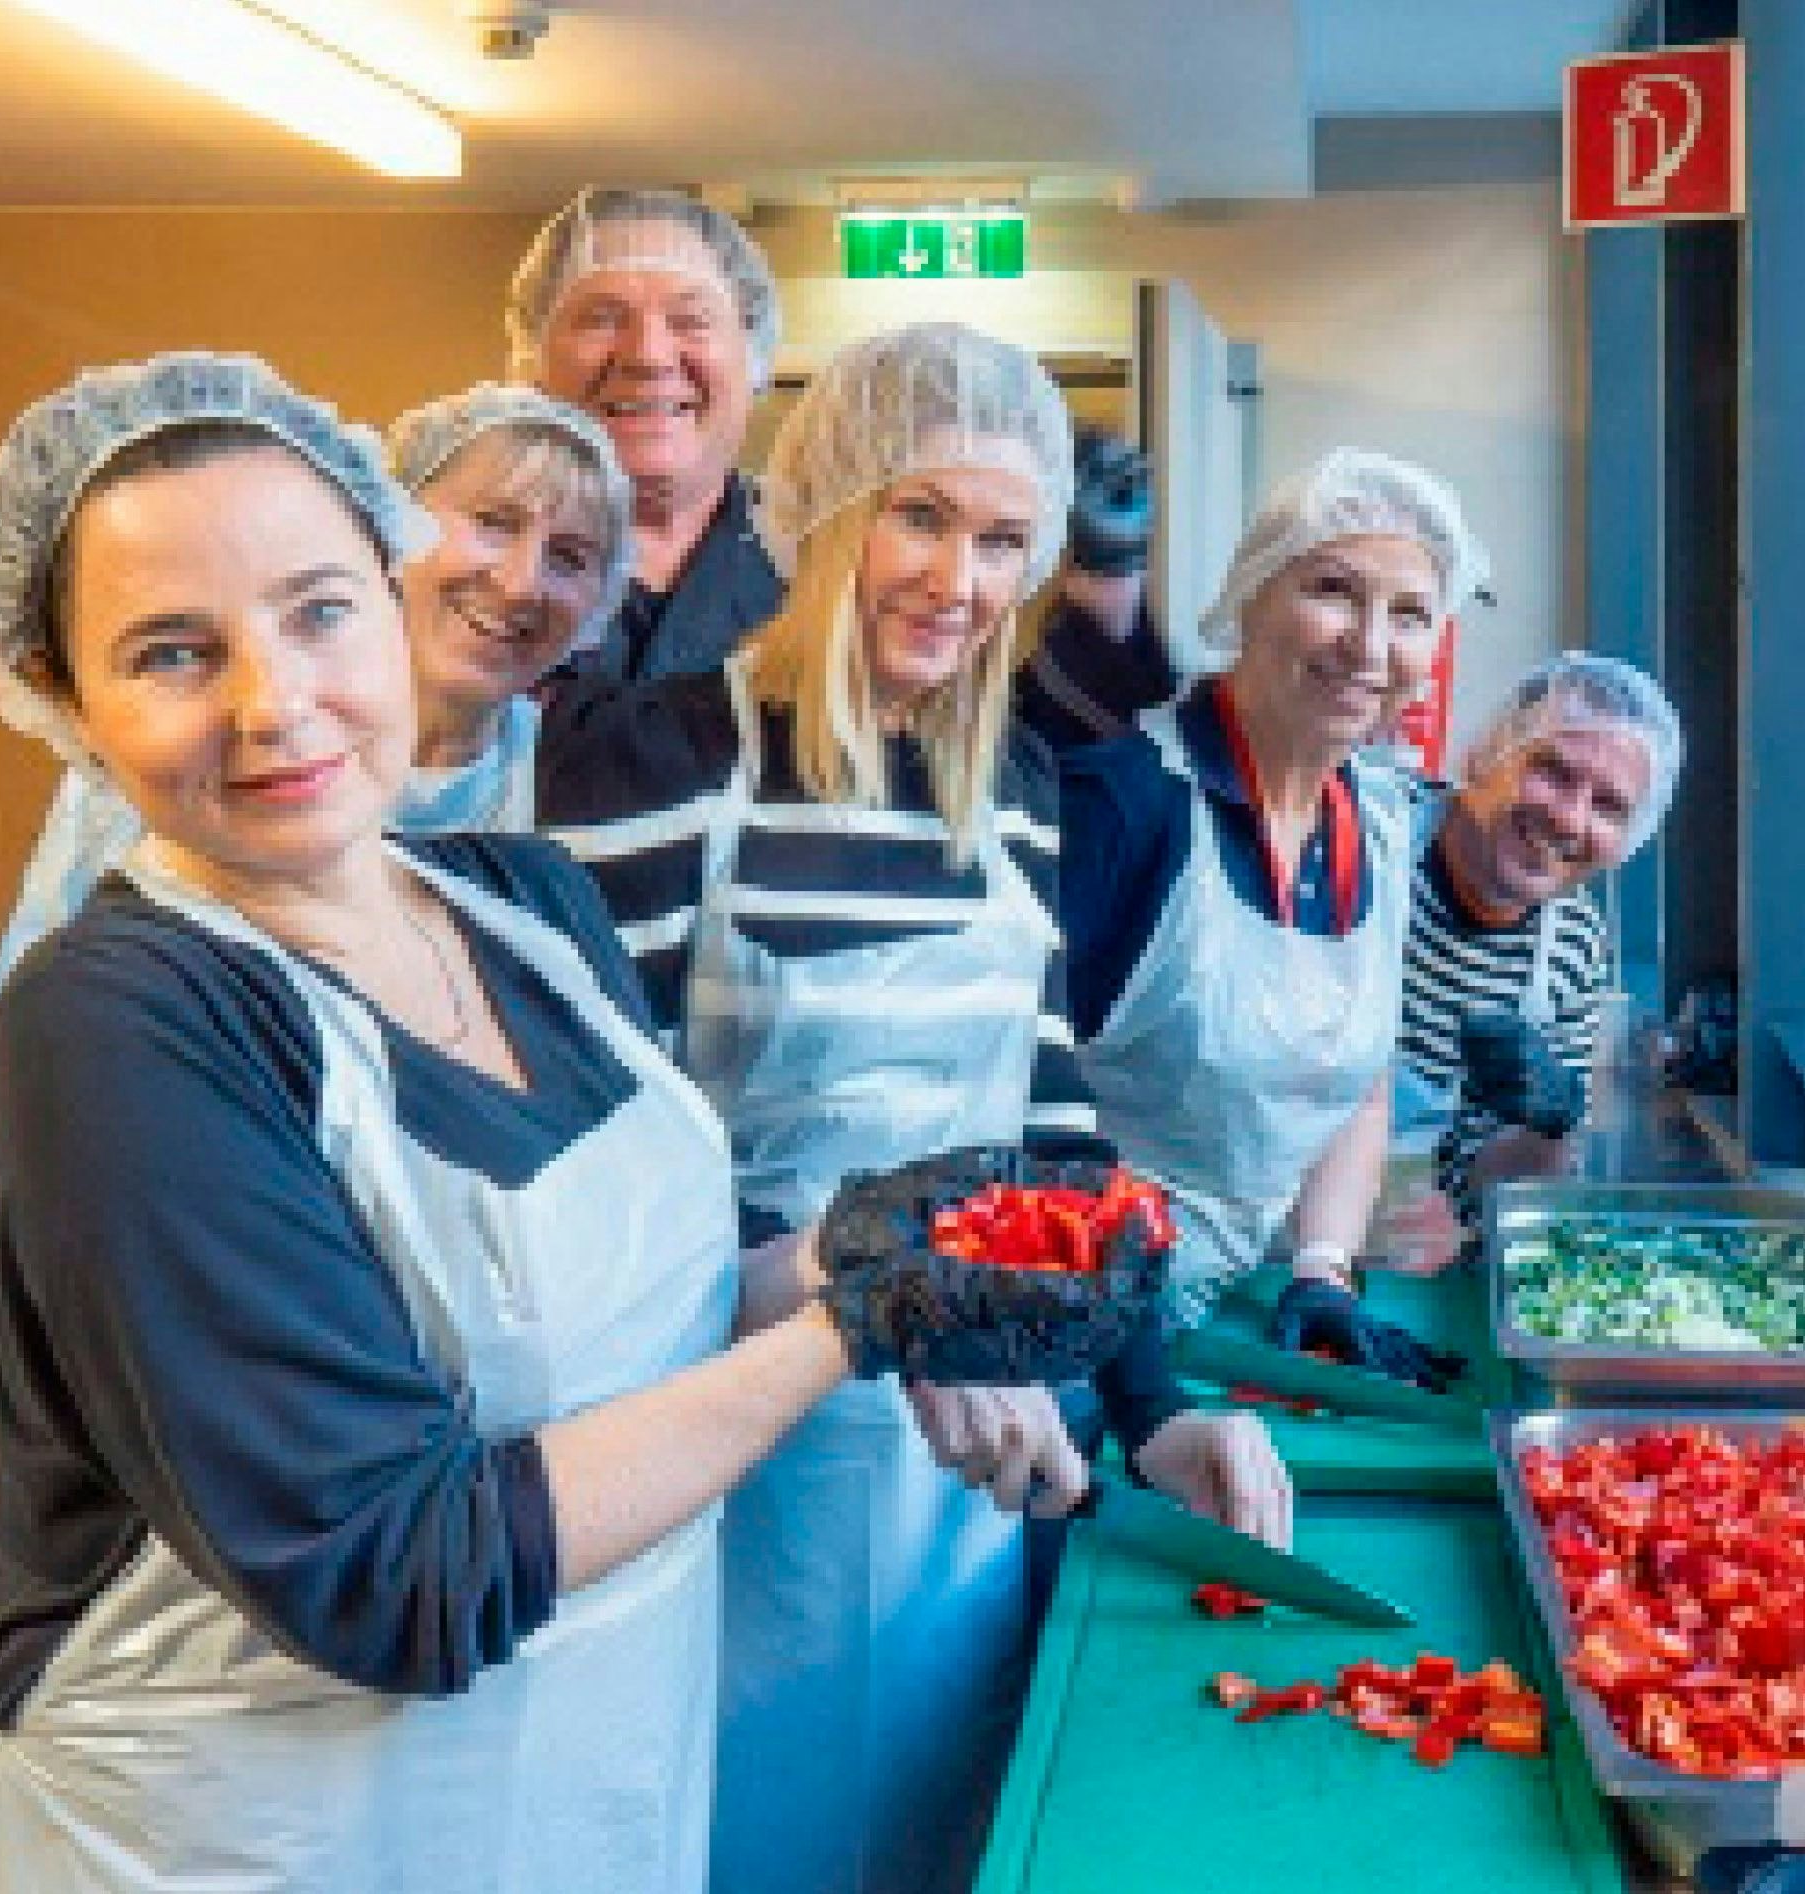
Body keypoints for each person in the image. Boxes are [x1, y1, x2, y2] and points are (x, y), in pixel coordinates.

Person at [0, 353, 1142, 1894]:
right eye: (172, 651)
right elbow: (394, 1570)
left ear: (391, 588)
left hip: (579, 1805)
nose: (273, 699)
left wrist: (859, 1244)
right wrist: (851, 1324)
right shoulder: (115, 1026)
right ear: (65, 700)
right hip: (240, 1839)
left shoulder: (527, 911)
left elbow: (667, 1291)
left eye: (317, 609)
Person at [532, 320, 1284, 1894]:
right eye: (919, 516)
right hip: (721, 1463)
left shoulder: (1005, 782)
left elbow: (1054, 1136)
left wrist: (1154, 1414)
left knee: (944, 1844)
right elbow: (609, 1178)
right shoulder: (646, 764)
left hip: (966, 1478)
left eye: (1004, 537)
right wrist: (887, 1306)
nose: (960, 576)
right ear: (817, 514)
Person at [0, 383, 634, 999]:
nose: (521, 584)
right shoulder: (166, 769)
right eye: (493, 520)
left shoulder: (589, 781)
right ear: (386, 539)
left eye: (571, 558)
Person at [1060, 448, 1487, 1387]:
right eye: (1333, 592)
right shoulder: (1124, 806)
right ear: (1252, 598)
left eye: (1409, 615)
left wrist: (1324, 1268)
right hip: (1067, 1326)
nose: (1370, 648)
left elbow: (1356, 1081)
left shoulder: (1374, 820)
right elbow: (1013, 1108)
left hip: (1229, 1316)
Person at [1393, 653, 1684, 1232]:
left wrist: (1550, 1122)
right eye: (1553, 771)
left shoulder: (1573, 944)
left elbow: (1502, 1196)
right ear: (1486, 755)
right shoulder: (1370, 837)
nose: (1571, 820)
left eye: (1609, 806)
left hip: (1413, 1256)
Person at [507, 187, 787, 689]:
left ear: (753, 360)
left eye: (690, 321)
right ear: (535, 358)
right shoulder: (458, 565)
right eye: (602, 319)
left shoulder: (822, 568)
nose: (649, 355)